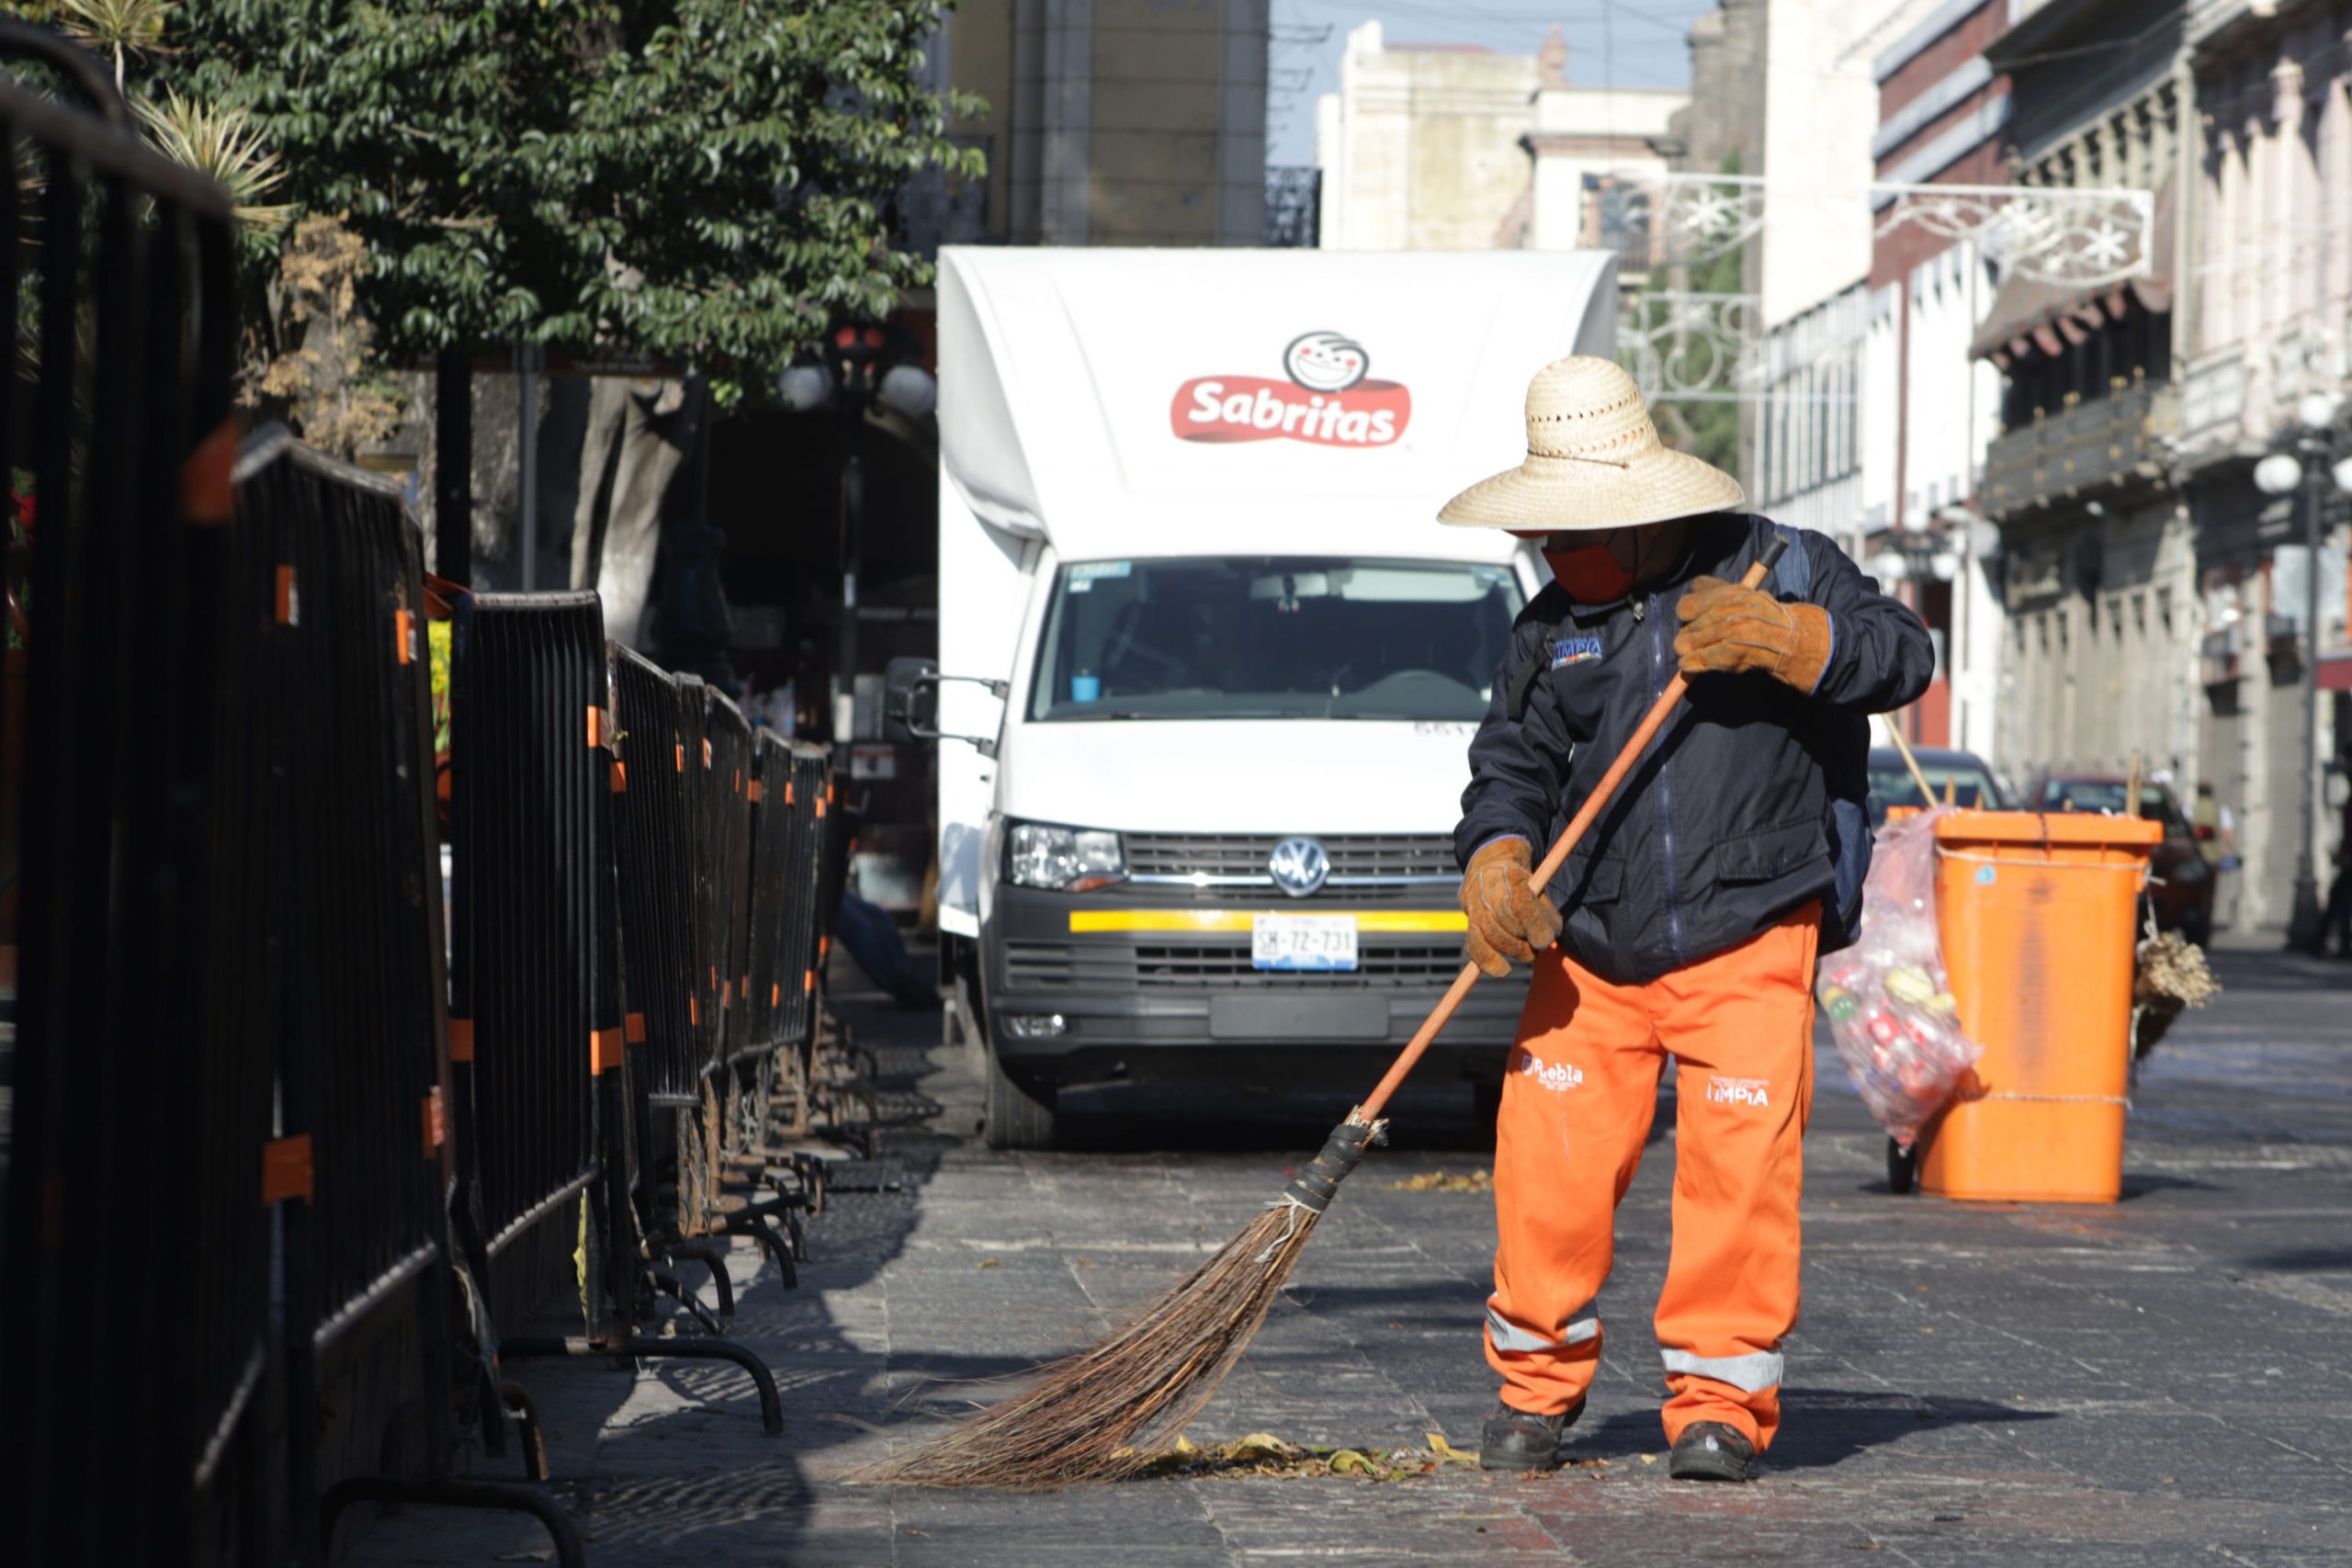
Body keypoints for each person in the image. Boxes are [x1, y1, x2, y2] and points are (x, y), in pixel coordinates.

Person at [1440, 357, 1932, 1483]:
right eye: (1546, 536)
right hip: (1590, 943)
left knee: (1737, 1177)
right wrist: (1496, 856)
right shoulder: (1550, 626)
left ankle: (1717, 1405)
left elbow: (1901, 653)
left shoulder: (1784, 565)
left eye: (1577, 532)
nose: (1558, 554)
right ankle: (1534, 1390)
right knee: (1546, 1176)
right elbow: (1511, 761)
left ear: (1647, 509)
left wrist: (1795, 642)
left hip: (1751, 925)